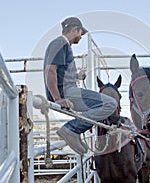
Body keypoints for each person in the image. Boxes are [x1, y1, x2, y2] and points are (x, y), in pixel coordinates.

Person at [43, 17, 117, 155]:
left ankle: (75, 129)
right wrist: (58, 98)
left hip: (68, 90)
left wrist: (77, 75)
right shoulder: (60, 43)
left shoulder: (64, 46)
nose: (81, 37)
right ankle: (71, 129)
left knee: (102, 106)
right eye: (81, 33)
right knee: (110, 103)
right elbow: (50, 71)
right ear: (74, 29)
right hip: (67, 92)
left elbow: (60, 72)